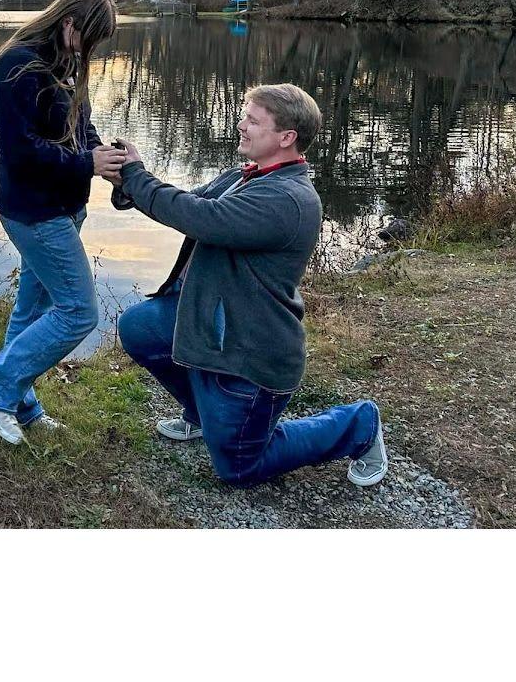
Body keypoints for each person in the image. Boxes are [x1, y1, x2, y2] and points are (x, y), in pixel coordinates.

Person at [111, 83, 389, 487]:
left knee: (239, 467)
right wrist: (126, 184)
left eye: (252, 120)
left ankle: (358, 426)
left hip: (251, 351)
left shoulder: (287, 199)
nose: (240, 125)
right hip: (216, 323)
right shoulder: (247, 176)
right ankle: (201, 414)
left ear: (286, 137)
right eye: (244, 115)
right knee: (140, 327)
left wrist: (138, 177)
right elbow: (188, 203)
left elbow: (200, 218)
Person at [0, 0, 126, 444]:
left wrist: (104, 159)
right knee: (78, 311)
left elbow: (80, 127)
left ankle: (20, 403)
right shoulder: (17, 67)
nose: (92, 52)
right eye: (90, 39)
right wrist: (85, 163)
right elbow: (20, 153)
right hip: (34, 212)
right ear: (70, 23)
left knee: (31, 311)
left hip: (66, 207)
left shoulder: (66, 62)